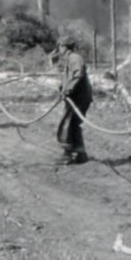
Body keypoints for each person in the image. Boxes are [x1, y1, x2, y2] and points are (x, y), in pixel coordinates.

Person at [56, 36, 93, 164]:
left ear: (65, 47)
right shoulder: (69, 59)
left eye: (60, 46)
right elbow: (68, 78)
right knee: (74, 124)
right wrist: (62, 88)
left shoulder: (75, 58)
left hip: (79, 98)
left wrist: (68, 90)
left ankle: (67, 153)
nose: (59, 49)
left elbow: (78, 75)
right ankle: (80, 153)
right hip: (76, 97)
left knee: (66, 122)